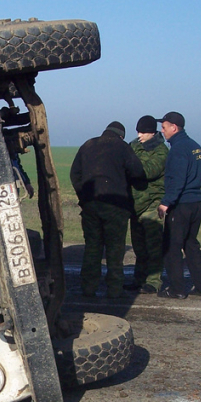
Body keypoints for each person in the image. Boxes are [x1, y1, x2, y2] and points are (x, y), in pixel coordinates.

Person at [70, 121, 146, 298]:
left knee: (92, 247)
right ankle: (114, 289)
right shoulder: (123, 147)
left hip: (91, 205)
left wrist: (84, 196)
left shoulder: (87, 145)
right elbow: (137, 172)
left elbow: (75, 174)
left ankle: (88, 288)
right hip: (116, 206)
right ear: (121, 135)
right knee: (115, 249)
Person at [156, 111, 201, 299]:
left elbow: (177, 179)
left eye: (164, 128)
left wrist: (166, 203)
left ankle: (177, 289)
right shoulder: (194, 146)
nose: (162, 131)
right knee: (191, 244)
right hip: (197, 203)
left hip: (181, 205)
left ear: (174, 128)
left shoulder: (178, 149)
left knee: (172, 247)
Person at [124, 115, 168, 294]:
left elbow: (148, 171)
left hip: (152, 204)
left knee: (154, 246)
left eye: (143, 132)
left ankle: (153, 282)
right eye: (138, 131)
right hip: (135, 205)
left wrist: (126, 165)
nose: (139, 135)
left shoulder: (161, 151)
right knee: (139, 247)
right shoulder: (133, 145)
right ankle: (139, 279)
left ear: (152, 132)